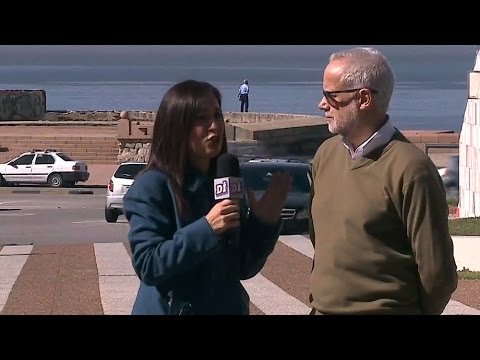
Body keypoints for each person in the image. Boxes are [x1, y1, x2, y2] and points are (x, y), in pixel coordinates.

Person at [308, 47, 458, 315]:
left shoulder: (412, 169)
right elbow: (319, 240)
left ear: (363, 99)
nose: (322, 104)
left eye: (331, 95)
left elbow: (437, 273)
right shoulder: (325, 155)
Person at [123, 79, 291, 315]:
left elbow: (242, 267)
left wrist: (264, 223)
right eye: (201, 119)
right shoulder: (152, 186)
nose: (215, 126)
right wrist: (207, 228)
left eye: (217, 115)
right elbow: (148, 265)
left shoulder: (226, 179)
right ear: (177, 127)